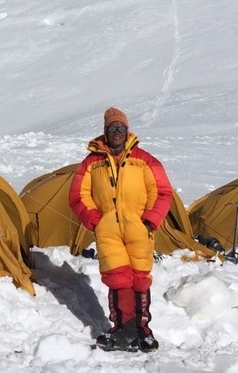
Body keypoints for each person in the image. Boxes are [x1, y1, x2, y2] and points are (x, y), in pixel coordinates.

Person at [69, 108, 174, 352]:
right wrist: (97, 222)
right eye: (112, 128)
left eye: (121, 128)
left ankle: (143, 331)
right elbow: (78, 195)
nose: (117, 132)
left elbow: (162, 192)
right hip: (109, 231)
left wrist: (149, 221)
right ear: (105, 132)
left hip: (139, 229)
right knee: (118, 279)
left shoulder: (145, 159)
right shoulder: (92, 163)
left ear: (127, 131)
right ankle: (121, 329)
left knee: (140, 279)